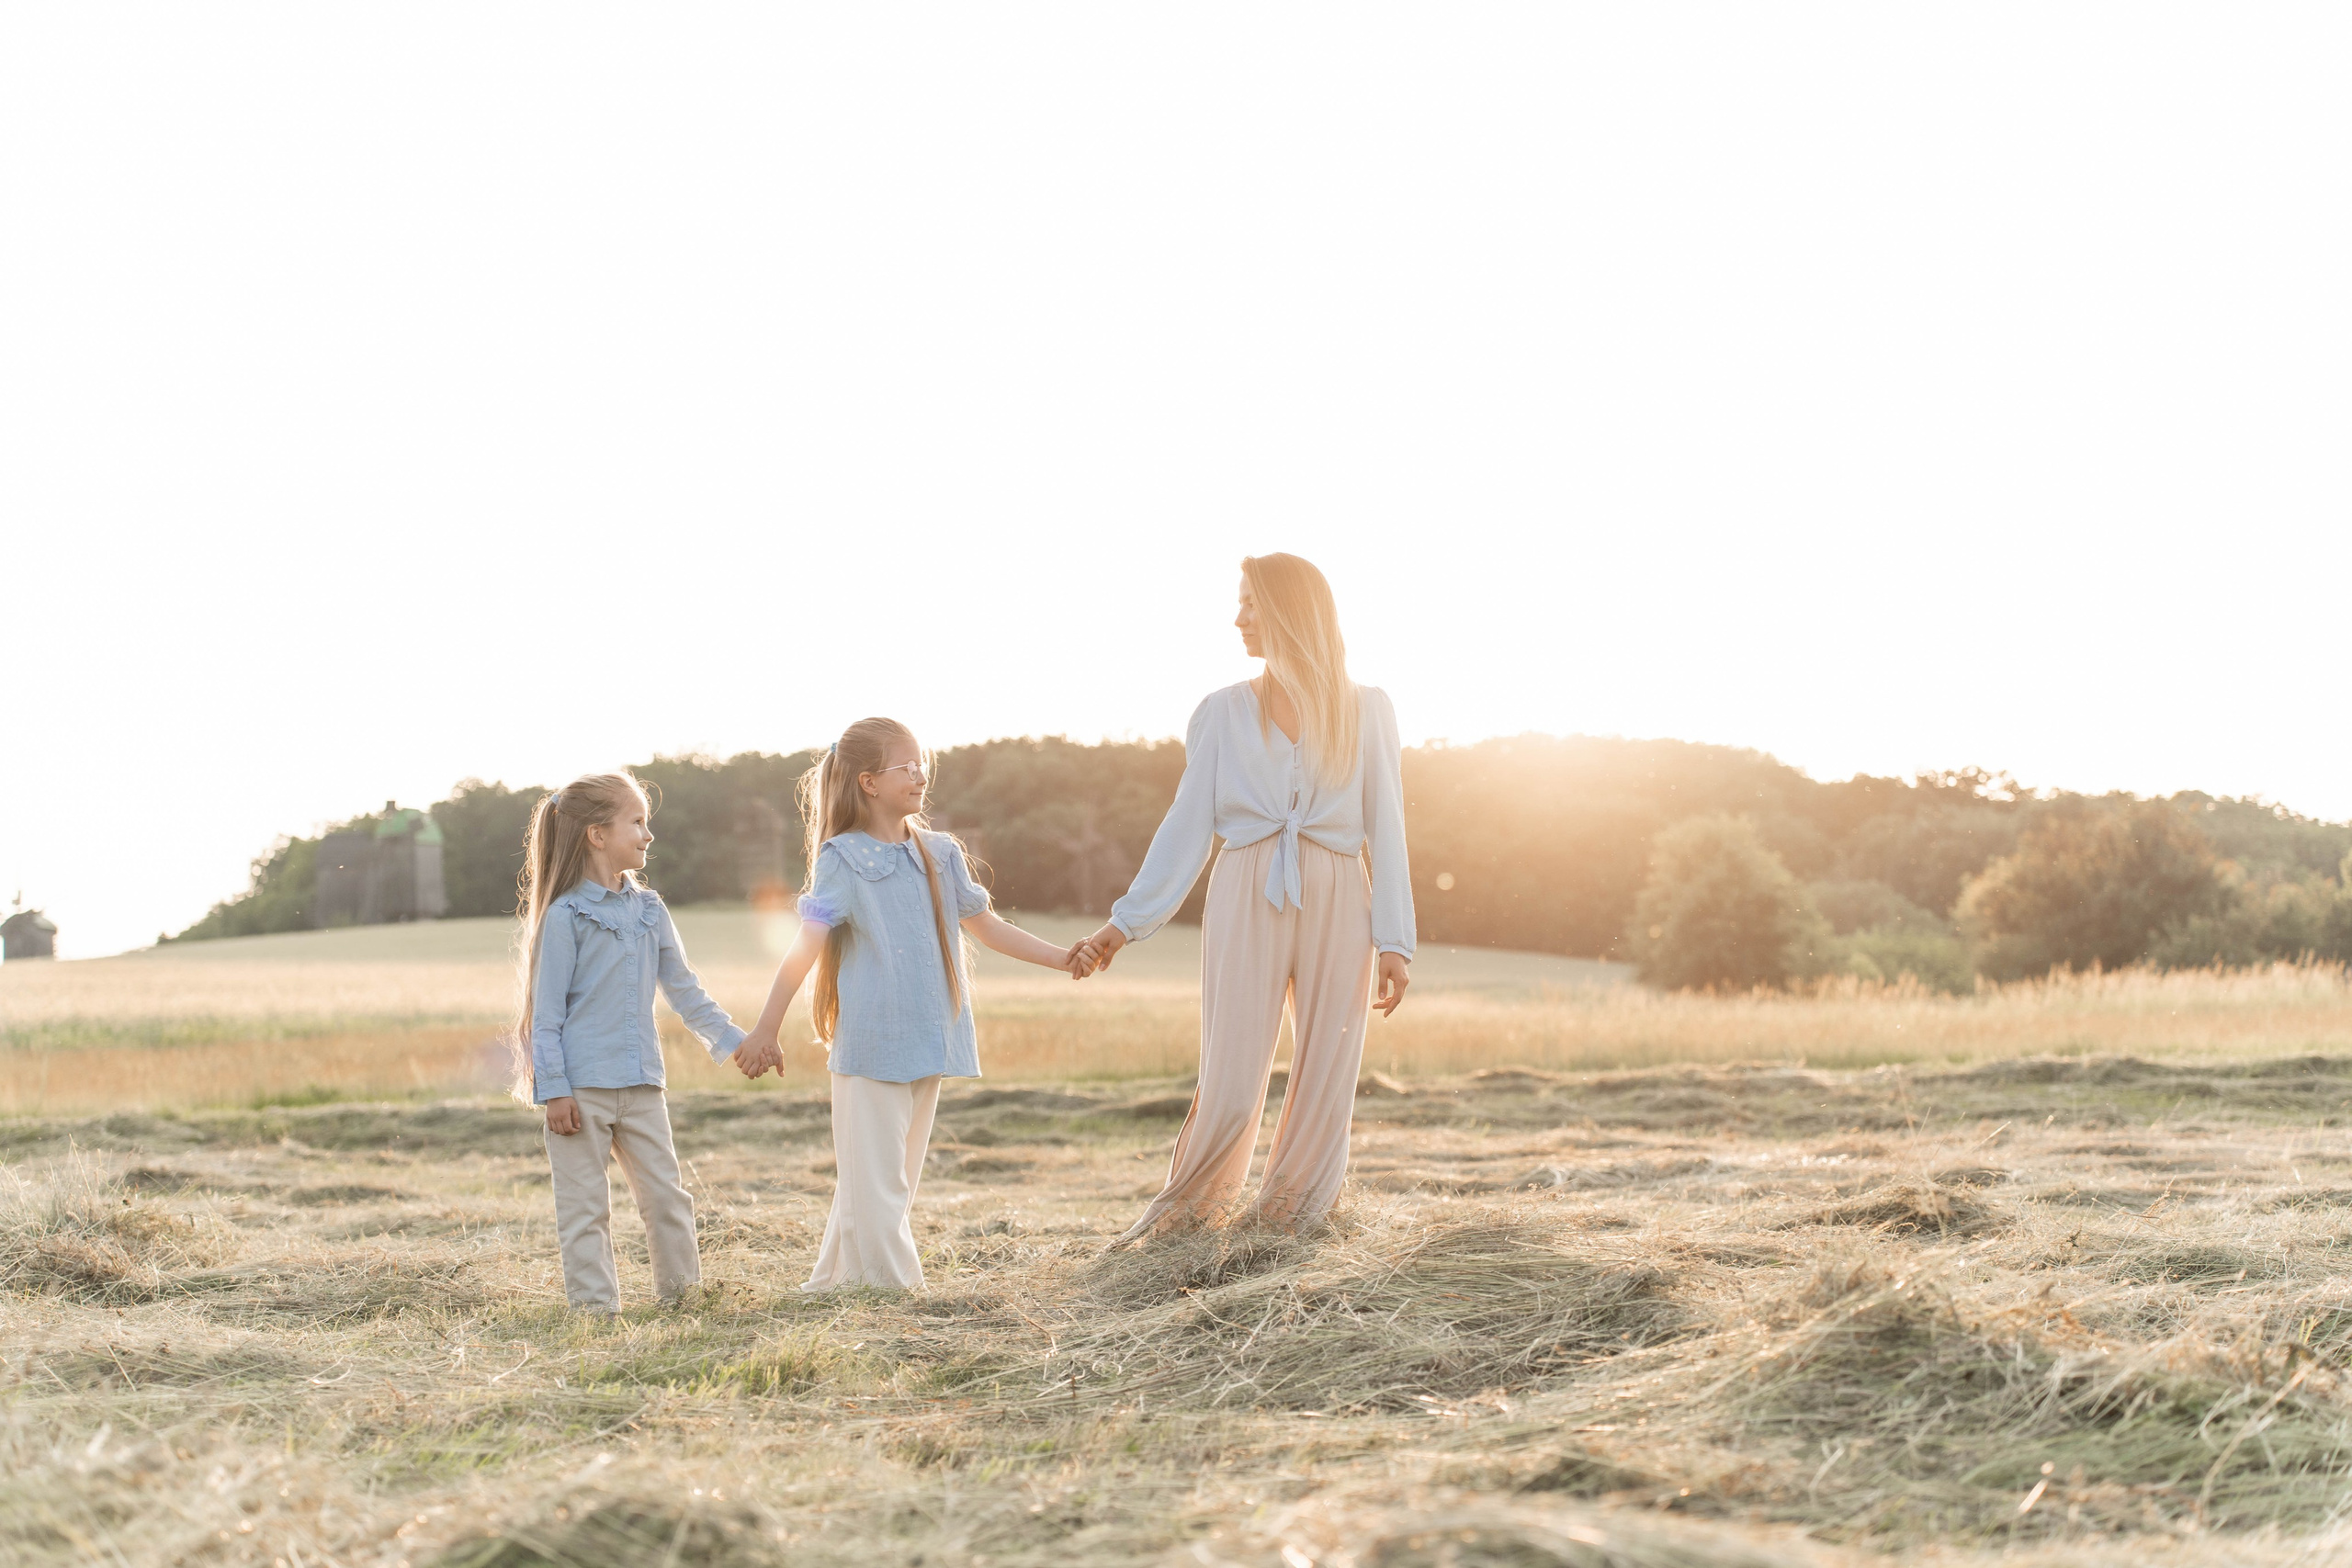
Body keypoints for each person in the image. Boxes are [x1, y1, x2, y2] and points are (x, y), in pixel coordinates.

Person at [1080, 553, 1414, 1239]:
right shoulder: (1222, 711)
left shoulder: (1369, 708)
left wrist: (1395, 940)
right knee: (1230, 1078)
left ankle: (1290, 1224)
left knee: (1326, 1075)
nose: (1238, 619)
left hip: (1338, 891)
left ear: (1293, 610)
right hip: (1246, 888)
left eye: (1252, 604)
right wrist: (1125, 923)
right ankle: (1183, 1226)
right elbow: (1186, 828)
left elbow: (1388, 825)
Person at [731, 717, 1097, 1289]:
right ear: (870, 782)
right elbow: (804, 950)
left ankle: (840, 1283)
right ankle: (897, 1294)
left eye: (922, 763)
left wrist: (1062, 958)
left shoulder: (941, 853)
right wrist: (765, 1030)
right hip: (874, 1041)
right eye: (907, 766)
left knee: (890, 1179)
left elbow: (989, 928)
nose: (921, 774)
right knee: (876, 1181)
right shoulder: (842, 858)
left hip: (932, 1033)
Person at [514, 771, 756, 1314]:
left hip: (643, 1084)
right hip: (580, 1091)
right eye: (638, 823)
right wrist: (553, 1089)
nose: (649, 835)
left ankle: (685, 1301)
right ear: (597, 835)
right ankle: (596, 1316)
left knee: (668, 1199)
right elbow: (544, 1018)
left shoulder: (651, 910)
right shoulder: (565, 915)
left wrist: (738, 1042)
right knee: (585, 1208)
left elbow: (686, 993)